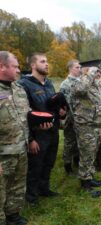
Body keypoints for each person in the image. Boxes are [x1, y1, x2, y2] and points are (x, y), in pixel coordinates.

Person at [18, 53, 65, 204]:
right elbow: (22, 114)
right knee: (35, 166)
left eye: (47, 61)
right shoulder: (24, 84)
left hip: (53, 130)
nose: (47, 64)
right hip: (37, 134)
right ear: (33, 65)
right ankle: (31, 197)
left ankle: (44, 188)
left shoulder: (49, 83)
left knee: (48, 162)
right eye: (43, 61)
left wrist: (61, 112)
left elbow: (52, 105)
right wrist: (31, 139)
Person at [0, 51, 30, 225]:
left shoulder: (18, 89)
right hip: (2, 154)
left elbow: (24, 116)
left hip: (21, 148)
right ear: (2, 67)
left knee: (17, 186)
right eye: (15, 66)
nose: (19, 70)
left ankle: (13, 214)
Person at [71, 65, 101, 198]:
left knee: (92, 153)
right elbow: (80, 90)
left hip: (96, 125)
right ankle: (85, 184)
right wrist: (90, 73)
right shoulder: (80, 82)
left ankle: (89, 177)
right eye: (93, 71)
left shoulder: (93, 84)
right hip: (86, 125)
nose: (96, 73)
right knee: (86, 154)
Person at [59, 60, 81, 175]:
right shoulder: (65, 84)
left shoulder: (80, 81)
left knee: (78, 141)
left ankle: (77, 161)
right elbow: (65, 105)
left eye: (79, 67)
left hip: (81, 119)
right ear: (71, 69)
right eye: (77, 67)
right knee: (69, 142)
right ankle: (67, 165)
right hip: (71, 119)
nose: (79, 69)